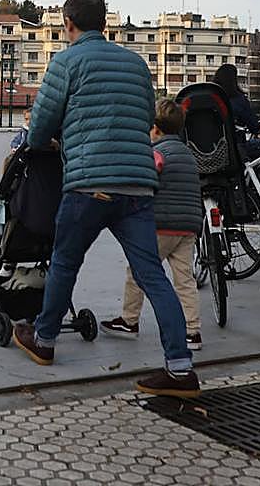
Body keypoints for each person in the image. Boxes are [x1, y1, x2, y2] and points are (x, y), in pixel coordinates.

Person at [9, 0, 199, 399]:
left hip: (89, 183)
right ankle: (181, 369)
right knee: (153, 275)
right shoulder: (135, 64)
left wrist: (52, 139)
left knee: (64, 262)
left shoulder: (67, 61)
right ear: (105, 24)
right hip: (138, 185)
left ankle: (43, 341)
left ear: (69, 24)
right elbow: (144, 116)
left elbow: (40, 125)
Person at [102, 99, 204, 351]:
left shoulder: (157, 153)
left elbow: (148, 178)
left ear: (156, 130)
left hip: (161, 225)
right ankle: (192, 332)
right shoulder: (189, 155)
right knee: (185, 281)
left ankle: (129, 320)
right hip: (188, 227)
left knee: (138, 272)